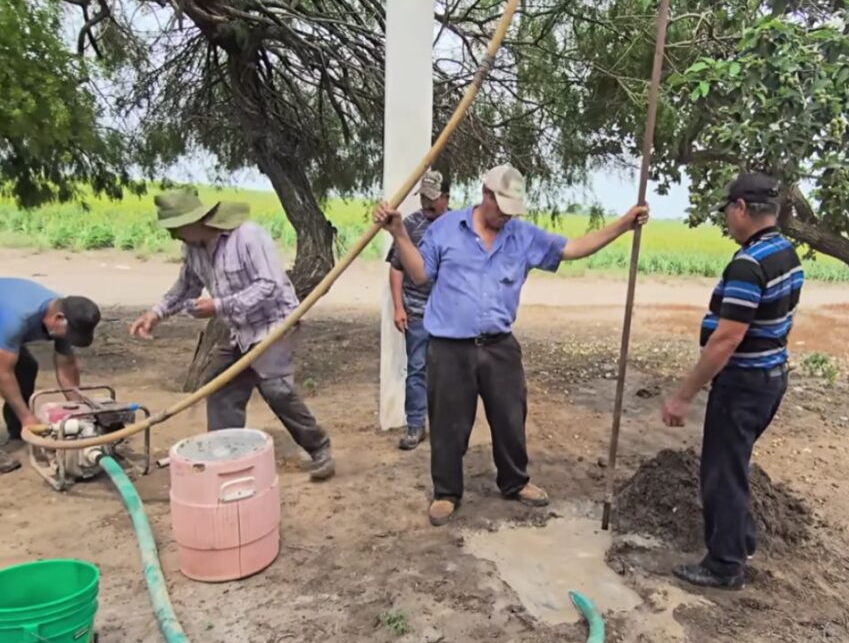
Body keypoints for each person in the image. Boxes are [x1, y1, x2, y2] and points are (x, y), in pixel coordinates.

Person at [374, 164, 649, 525]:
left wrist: (623, 224)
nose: (505, 215)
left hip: (499, 346)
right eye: (500, 206)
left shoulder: (522, 235)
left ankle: (515, 481)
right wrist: (399, 234)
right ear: (485, 194)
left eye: (510, 209)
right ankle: (446, 492)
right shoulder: (446, 228)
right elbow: (420, 273)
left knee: (509, 417)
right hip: (449, 347)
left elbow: (574, 248)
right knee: (448, 424)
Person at [129, 189, 335, 481]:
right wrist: (155, 314)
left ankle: (320, 448)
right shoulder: (192, 248)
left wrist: (218, 305)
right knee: (221, 387)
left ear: (195, 220)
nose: (174, 235)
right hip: (241, 330)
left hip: (275, 323)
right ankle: (228, 458)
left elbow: (270, 285)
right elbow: (185, 286)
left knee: (276, 389)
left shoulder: (248, 236)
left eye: (176, 228)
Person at [660, 173, 803, 589]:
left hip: (744, 383)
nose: (726, 218)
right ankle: (741, 540)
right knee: (735, 462)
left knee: (721, 470)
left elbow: (727, 338)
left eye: (727, 210)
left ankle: (724, 565)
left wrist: (683, 396)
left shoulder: (749, 262)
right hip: (771, 377)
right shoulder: (785, 252)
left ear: (741, 208)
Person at [0, 279, 101, 474]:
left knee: (26, 367)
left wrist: (79, 409)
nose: (69, 339)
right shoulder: (19, 318)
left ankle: (17, 433)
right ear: (58, 318)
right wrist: (27, 416)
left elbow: (66, 364)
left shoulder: (63, 315)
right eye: (70, 334)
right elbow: (2, 372)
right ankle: (22, 422)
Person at [387, 170, 450, 450]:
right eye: (423, 196)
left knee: (449, 371)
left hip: (449, 315)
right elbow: (397, 269)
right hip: (416, 311)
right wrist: (399, 307)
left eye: (433, 198)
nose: (427, 203)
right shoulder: (409, 226)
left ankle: (446, 426)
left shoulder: (459, 226)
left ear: (447, 197)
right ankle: (415, 425)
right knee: (416, 368)